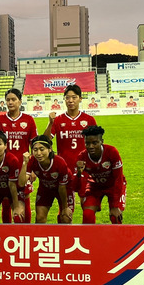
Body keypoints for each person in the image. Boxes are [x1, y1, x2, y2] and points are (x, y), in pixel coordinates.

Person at [43, 84, 97, 221]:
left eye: (74, 97)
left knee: (88, 210)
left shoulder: (89, 120)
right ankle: (65, 240)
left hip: (84, 170)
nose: (71, 100)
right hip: (64, 171)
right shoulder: (59, 120)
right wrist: (50, 123)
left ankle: (87, 239)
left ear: (80, 99)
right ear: (64, 100)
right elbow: (45, 140)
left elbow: (97, 145)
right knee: (65, 212)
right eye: (68, 98)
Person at [0, 88, 38, 223]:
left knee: (25, 197)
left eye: (13, 99)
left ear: (20, 101)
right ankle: (7, 230)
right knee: (6, 200)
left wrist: (33, 168)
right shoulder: (1, 119)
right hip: (5, 166)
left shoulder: (28, 120)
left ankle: (26, 229)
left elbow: (35, 146)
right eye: (8, 100)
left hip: (23, 166)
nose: (10, 102)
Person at [75, 125, 126, 225]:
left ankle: (117, 239)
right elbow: (76, 186)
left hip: (113, 185)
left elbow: (118, 179)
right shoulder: (82, 157)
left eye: (95, 143)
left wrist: (115, 206)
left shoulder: (112, 152)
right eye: (87, 143)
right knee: (87, 214)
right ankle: (89, 240)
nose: (90, 146)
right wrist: (79, 172)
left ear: (101, 141)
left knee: (115, 216)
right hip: (95, 186)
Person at [18, 135, 74, 224]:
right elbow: (21, 183)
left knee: (65, 218)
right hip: (45, 188)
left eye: (42, 149)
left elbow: (62, 187)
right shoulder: (32, 161)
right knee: (40, 218)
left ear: (50, 149)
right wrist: (24, 163)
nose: (39, 153)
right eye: (35, 150)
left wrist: (65, 207)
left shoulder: (60, 163)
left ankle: (64, 237)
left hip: (65, 189)